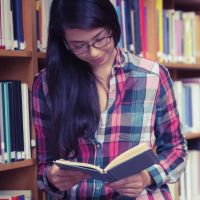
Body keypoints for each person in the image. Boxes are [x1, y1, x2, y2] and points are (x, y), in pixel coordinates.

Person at [32, 0, 188, 199]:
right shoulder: (46, 84)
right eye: (79, 46)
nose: (94, 52)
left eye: (100, 39)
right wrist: (51, 178)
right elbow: (44, 165)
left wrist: (147, 177)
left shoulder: (152, 76)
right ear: (63, 43)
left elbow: (176, 149)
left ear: (112, 25)